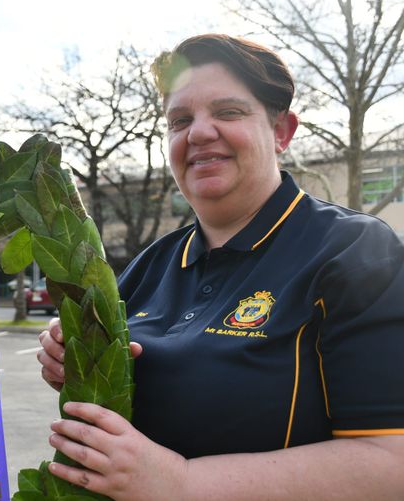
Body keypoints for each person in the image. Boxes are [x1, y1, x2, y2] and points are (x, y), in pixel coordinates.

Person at [37, 33, 404, 500]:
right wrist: (76, 364)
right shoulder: (149, 266)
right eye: (180, 120)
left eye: (228, 112)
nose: (199, 132)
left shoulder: (355, 252)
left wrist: (179, 483)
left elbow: (391, 465)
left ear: (281, 131)